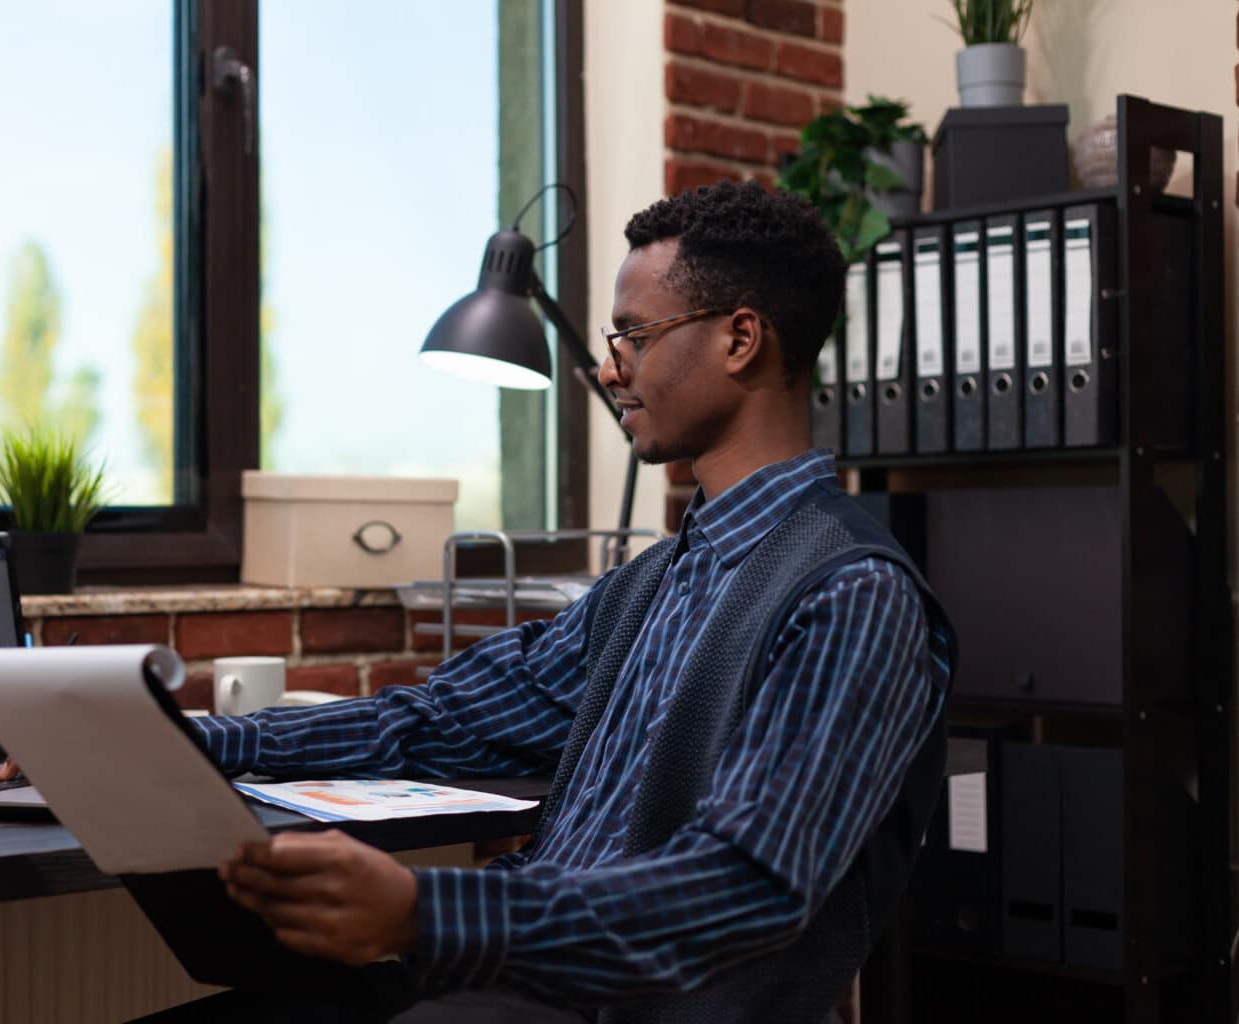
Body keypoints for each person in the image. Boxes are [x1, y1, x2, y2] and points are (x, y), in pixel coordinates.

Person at [74, 180, 955, 1022]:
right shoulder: (652, 586)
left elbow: (744, 886)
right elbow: (433, 723)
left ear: (740, 339)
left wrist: (429, 913)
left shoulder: (851, 596)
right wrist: (182, 743)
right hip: (503, 986)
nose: (613, 372)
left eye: (635, 337)